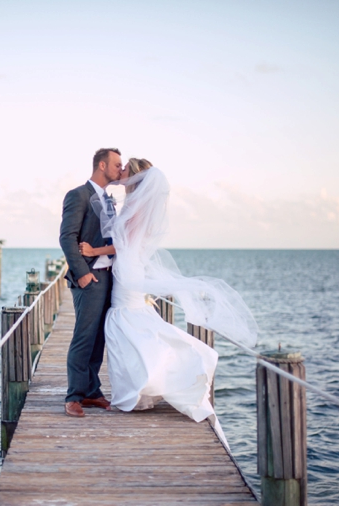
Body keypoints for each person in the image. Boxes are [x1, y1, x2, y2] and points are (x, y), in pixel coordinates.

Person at [79, 159, 258, 444]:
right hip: (129, 267)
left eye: (125, 169)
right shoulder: (140, 204)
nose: (120, 171)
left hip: (127, 269)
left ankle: (140, 390)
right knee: (129, 321)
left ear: (135, 178)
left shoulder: (136, 208)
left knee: (123, 321)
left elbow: (124, 242)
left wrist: (93, 249)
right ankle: (140, 393)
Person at [59, 148, 124, 418]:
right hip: (89, 275)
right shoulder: (78, 195)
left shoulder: (109, 199)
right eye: (117, 165)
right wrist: (82, 272)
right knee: (84, 337)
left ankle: (92, 391)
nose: (121, 170)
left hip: (109, 275)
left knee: (100, 337)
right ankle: (74, 396)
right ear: (101, 165)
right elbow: (67, 237)